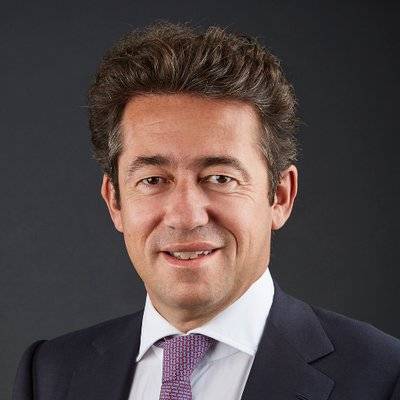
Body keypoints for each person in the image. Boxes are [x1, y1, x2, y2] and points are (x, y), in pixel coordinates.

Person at [13, 21, 400, 400]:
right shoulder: (51, 374)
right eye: (153, 179)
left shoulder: (384, 377)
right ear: (115, 202)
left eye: (219, 178)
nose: (185, 216)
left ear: (280, 196)